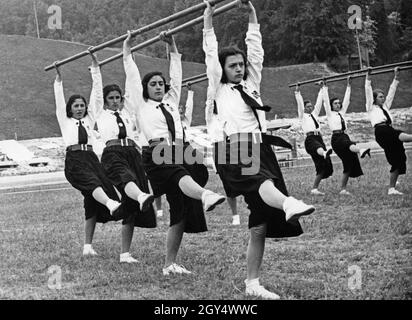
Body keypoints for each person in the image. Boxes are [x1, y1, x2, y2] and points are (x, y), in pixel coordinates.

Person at [203, 0, 315, 300]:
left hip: (257, 146)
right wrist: (208, 19)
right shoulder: (218, 88)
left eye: (241, 65)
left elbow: (256, 51)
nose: (239, 69)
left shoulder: (252, 83)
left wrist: (251, 13)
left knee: (261, 218)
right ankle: (289, 203)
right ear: (223, 70)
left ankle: (252, 282)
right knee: (263, 183)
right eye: (233, 66)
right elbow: (210, 54)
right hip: (232, 148)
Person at [123, 30, 226, 276]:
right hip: (157, 151)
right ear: (146, 89)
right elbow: (132, 77)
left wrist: (173, 46)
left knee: (180, 207)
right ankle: (205, 195)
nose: (158, 86)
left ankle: (170, 263)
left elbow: (176, 76)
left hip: (180, 149)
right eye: (153, 84)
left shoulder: (170, 101)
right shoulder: (140, 104)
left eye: (161, 83)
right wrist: (128, 51)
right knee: (180, 175)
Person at [53, 54, 124, 257]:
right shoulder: (65, 121)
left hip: (91, 159)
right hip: (75, 160)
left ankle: (87, 246)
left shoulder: (89, 119)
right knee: (94, 184)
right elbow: (59, 100)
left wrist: (95, 68)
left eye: (81, 106)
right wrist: (59, 80)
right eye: (75, 106)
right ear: (70, 109)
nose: (79, 108)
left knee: (91, 201)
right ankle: (111, 205)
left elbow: (97, 97)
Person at [92, 53, 156, 264]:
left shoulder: (128, 112)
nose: (114, 101)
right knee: (126, 179)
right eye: (111, 98)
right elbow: (96, 94)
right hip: (112, 154)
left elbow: (133, 84)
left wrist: (128, 55)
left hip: (132, 153)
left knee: (130, 207)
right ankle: (141, 196)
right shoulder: (100, 114)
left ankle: (125, 253)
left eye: (117, 98)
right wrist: (95, 66)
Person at [365, 67, 412, 195]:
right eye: (380, 97)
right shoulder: (370, 107)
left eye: (383, 96)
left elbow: (392, 93)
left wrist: (396, 77)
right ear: (374, 99)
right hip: (382, 131)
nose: (383, 98)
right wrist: (368, 78)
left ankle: (393, 185)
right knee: (402, 136)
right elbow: (367, 93)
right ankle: (391, 189)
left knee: (399, 158)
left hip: (388, 130)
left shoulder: (385, 106)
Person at [323, 77, 371, 195]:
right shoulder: (330, 114)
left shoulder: (342, 113)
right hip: (337, 138)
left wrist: (349, 86)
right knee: (349, 145)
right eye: (335, 103)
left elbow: (347, 101)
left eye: (339, 103)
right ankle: (360, 150)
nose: (338, 105)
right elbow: (325, 100)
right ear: (331, 106)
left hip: (344, 136)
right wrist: (324, 87)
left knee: (348, 164)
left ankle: (343, 189)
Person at [295, 83, 333, 195]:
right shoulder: (302, 116)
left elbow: (319, 102)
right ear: (304, 108)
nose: (310, 108)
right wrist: (298, 93)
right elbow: (300, 105)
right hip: (310, 139)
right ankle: (324, 152)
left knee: (324, 166)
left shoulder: (315, 114)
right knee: (319, 148)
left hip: (318, 137)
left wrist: (322, 89)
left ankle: (314, 189)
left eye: (311, 106)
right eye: (308, 107)